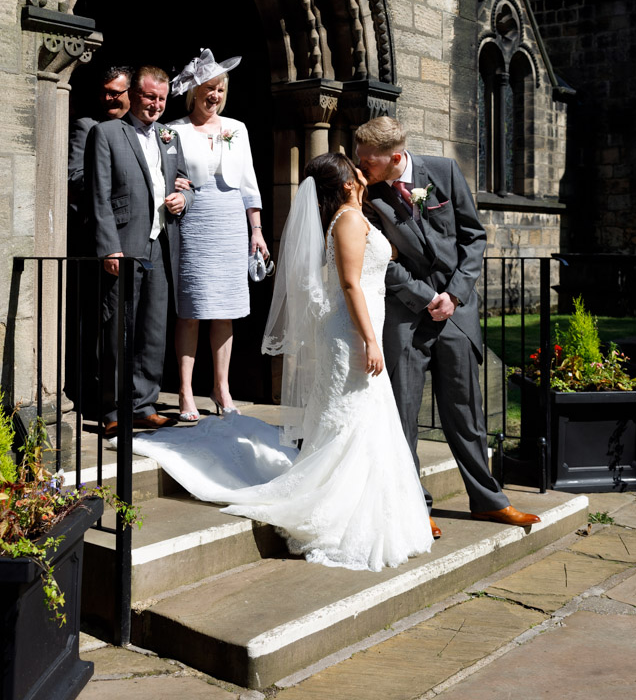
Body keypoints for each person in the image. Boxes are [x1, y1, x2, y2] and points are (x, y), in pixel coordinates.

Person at [131, 153, 433, 571]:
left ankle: (375, 509)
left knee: (364, 419)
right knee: (350, 420)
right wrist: (369, 340)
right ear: (346, 184)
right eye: (354, 169)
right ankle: (337, 510)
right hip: (351, 334)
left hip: (361, 329)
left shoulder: (356, 214)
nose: (362, 172)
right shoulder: (346, 220)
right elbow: (349, 284)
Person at [355, 117, 540, 529]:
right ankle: (413, 507)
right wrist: (425, 298)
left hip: (456, 313)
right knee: (402, 415)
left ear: (396, 158)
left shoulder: (443, 172)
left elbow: (473, 236)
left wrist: (454, 295)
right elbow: (376, 259)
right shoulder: (365, 192)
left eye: (368, 159)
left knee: (465, 413)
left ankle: (487, 499)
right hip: (405, 316)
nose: (360, 164)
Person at [85, 65, 194, 437]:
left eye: (162, 99)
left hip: (160, 243)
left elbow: (185, 181)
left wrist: (185, 198)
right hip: (124, 242)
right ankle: (114, 409)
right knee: (118, 326)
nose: (156, 105)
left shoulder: (169, 136)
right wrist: (108, 249)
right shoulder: (106, 133)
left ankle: (144, 405)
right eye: (149, 97)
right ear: (133, 93)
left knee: (152, 327)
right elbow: (98, 197)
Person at [170, 49, 269, 421]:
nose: (215, 95)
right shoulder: (174, 130)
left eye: (220, 89)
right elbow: (164, 175)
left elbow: (249, 183)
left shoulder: (237, 129)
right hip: (194, 220)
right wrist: (174, 185)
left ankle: (221, 388)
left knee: (224, 309)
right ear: (193, 91)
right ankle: (185, 392)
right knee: (192, 309)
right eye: (209, 88)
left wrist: (255, 230)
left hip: (230, 221)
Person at [68, 64, 134, 238]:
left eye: (114, 93)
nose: (107, 98)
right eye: (103, 93)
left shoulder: (141, 130)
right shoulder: (87, 127)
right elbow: (75, 176)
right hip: (101, 227)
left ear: (132, 92)